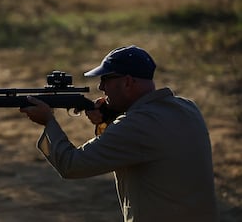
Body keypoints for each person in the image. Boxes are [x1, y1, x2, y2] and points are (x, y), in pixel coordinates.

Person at [20, 45, 218, 222]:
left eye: (106, 79)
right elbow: (140, 145)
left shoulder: (136, 124)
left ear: (128, 82)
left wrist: (48, 122)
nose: (101, 87)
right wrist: (107, 120)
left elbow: (72, 165)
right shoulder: (188, 108)